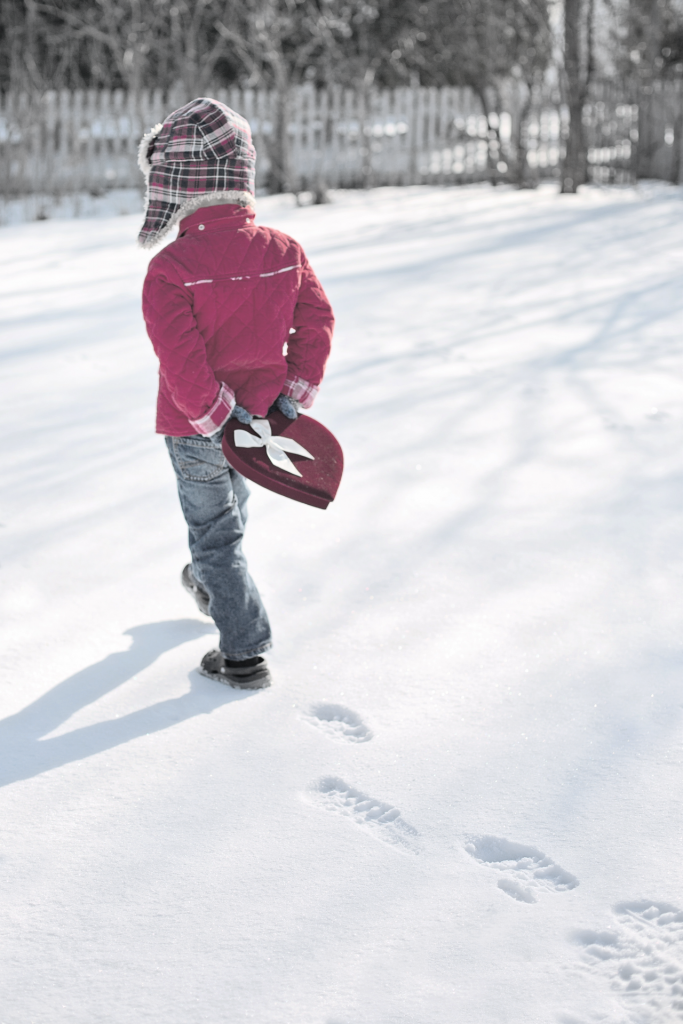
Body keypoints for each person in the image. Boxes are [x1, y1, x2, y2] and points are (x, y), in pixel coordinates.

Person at [139, 97, 334, 689]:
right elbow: (317, 321)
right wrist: (291, 391)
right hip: (257, 421)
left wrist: (211, 412)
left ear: (177, 185)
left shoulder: (170, 267)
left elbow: (182, 359)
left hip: (197, 425)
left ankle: (244, 651)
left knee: (215, 530)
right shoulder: (283, 250)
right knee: (228, 515)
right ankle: (211, 581)